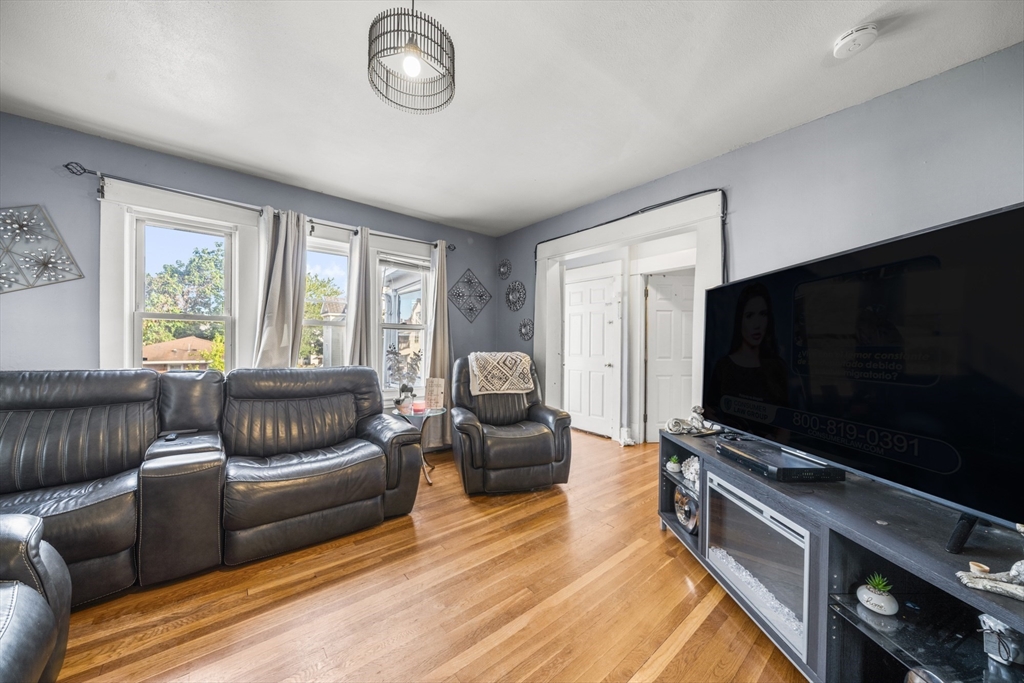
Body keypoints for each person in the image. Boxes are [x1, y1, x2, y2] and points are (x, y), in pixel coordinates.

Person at [705, 282, 789, 430]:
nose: (757, 324)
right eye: (749, 316)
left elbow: (787, 421)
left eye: (763, 314)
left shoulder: (778, 367)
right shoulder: (724, 367)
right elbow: (710, 410)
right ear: (740, 320)